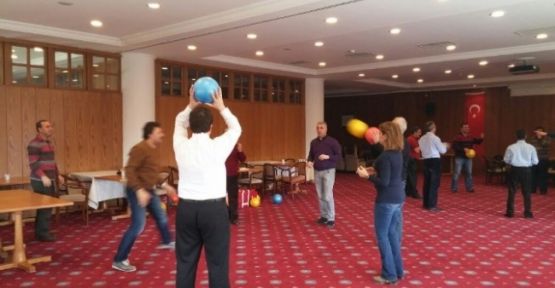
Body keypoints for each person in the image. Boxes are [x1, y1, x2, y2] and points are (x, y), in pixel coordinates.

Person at [173, 87, 241, 287]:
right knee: (218, 264)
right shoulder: (218, 146)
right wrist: (221, 107)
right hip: (214, 211)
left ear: (190, 127)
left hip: (186, 210)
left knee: (185, 263)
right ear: (211, 126)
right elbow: (236, 128)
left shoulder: (181, 144)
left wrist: (190, 105)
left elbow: (179, 122)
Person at [112, 122, 177, 272]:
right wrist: (139, 190)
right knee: (138, 226)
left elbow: (151, 174)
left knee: (161, 216)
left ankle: (167, 241)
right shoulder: (139, 149)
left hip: (148, 190)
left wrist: (165, 185)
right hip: (137, 191)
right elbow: (129, 170)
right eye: (159, 132)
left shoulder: (152, 150)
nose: (162, 135)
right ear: (150, 134)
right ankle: (119, 259)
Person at [356, 121, 405, 285]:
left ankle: (389, 275)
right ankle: (398, 271)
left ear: (385, 135)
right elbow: (387, 171)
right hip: (398, 198)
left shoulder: (385, 156)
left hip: (386, 200)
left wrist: (366, 176)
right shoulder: (397, 153)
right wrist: (371, 170)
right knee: (392, 235)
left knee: (382, 237)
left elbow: (383, 182)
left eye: (380, 133)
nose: (377, 135)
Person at [27, 120, 64, 242]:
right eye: (47, 126)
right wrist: (43, 176)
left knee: (46, 207)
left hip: (50, 179)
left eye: (51, 126)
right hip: (40, 180)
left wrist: (58, 175)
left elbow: (52, 162)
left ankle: (41, 232)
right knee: (45, 207)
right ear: (39, 129)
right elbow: (33, 163)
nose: (50, 128)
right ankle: (43, 234)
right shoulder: (34, 144)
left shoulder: (48, 143)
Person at [307, 121, 341, 228]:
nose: (319, 130)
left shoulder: (332, 142)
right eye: (317, 128)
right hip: (317, 171)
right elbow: (311, 155)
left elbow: (339, 156)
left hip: (328, 171)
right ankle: (324, 216)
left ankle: (331, 218)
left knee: (327, 195)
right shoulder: (313, 142)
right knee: (320, 195)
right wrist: (309, 162)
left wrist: (328, 157)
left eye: (321, 128)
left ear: (326, 129)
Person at [503, 129, 538, 218]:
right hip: (526, 170)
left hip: (514, 170)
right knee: (527, 192)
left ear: (516, 136)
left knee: (512, 191)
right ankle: (528, 213)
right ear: (526, 136)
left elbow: (506, 160)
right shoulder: (531, 147)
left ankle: (510, 212)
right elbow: (535, 162)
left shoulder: (511, 147)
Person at [418, 121, 449, 211]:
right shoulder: (435, 138)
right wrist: (445, 145)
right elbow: (442, 150)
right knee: (434, 184)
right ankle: (432, 205)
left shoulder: (421, 139)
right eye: (435, 127)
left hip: (426, 160)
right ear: (432, 128)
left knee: (427, 182)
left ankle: (426, 204)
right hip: (435, 161)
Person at [450, 123, 484, 193]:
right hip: (459, 157)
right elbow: (454, 146)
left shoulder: (470, 136)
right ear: (461, 129)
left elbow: (477, 142)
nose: (467, 128)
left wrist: (481, 138)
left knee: (469, 173)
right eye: (465, 127)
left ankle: (469, 188)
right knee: (457, 173)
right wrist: (463, 149)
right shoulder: (457, 137)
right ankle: (454, 188)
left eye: (468, 127)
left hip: (468, 158)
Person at [225, 143, 246, 224]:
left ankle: (233, 218)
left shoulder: (236, 146)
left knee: (233, 197)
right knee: (222, 197)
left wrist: (240, 151)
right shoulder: (221, 144)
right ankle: (225, 216)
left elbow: (243, 159)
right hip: (221, 176)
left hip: (233, 175)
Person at [529, 127, 552, 194]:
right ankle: (532, 189)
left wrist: (540, 138)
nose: (539, 132)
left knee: (543, 175)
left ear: (543, 132)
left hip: (543, 159)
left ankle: (543, 190)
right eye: (537, 131)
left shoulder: (547, 138)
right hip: (534, 160)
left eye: (540, 131)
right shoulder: (532, 139)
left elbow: (545, 144)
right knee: (533, 175)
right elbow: (531, 148)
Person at [392, 116, 410, 195]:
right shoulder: (395, 141)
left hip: (398, 177)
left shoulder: (403, 143)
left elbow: (394, 159)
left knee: (394, 204)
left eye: (393, 126)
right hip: (393, 176)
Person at [405, 126, 422, 199]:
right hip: (411, 160)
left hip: (410, 160)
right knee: (413, 177)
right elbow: (417, 150)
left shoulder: (410, 139)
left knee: (409, 177)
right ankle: (414, 193)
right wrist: (423, 144)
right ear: (414, 132)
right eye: (419, 132)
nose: (420, 134)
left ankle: (408, 192)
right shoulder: (412, 139)